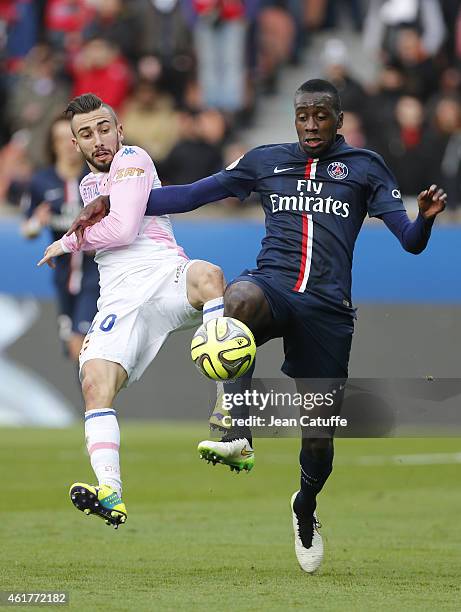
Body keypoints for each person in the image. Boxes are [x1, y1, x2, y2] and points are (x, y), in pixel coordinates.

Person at [66, 80, 446, 570]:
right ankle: (236, 431)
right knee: (235, 301)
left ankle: (305, 506)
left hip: (327, 309)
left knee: (318, 438)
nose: (311, 124)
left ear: (339, 118)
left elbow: (410, 241)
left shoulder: (366, 168)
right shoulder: (266, 160)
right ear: (294, 116)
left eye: (320, 116)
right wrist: (112, 204)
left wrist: (427, 219)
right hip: (271, 286)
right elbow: (190, 195)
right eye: (302, 115)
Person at [38, 93, 225, 529]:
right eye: (87, 133)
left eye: (105, 128)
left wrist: (69, 240)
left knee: (210, 277)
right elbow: (108, 222)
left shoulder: (134, 159)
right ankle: (111, 493)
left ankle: (228, 411)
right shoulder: (87, 186)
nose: (99, 139)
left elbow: (122, 230)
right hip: (120, 298)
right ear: (75, 144)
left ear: (120, 130)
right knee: (94, 382)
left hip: (164, 275)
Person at [22, 116, 99, 363]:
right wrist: (37, 222)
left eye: (72, 139)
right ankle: (93, 401)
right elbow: (28, 228)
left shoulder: (97, 178)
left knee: (82, 343)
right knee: (74, 351)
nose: (68, 145)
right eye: (61, 140)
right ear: (53, 145)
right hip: (62, 277)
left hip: (94, 275)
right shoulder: (41, 181)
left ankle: (96, 402)